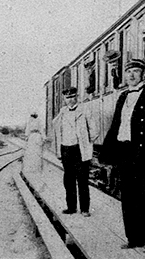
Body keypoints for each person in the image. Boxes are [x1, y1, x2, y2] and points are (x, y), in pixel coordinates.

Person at [101, 59, 145, 254]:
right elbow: (116, 125)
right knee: (128, 197)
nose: (131, 75)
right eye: (128, 71)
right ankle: (133, 238)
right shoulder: (123, 96)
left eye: (136, 71)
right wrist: (109, 153)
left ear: (143, 74)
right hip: (124, 152)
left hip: (144, 154)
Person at [51, 87, 98, 217]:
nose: (70, 100)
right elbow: (55, 126)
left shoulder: (85, 110)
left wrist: (87, 143)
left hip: (80, 149)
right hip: (66, 148)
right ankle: (71, 207)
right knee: (68, 179)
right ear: (64, 99)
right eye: (67, 98)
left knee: (82, 179)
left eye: (72, 97)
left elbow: (94, 131)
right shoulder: (62, 111)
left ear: (76, 97)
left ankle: (84, 209)